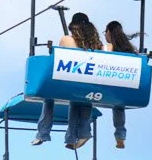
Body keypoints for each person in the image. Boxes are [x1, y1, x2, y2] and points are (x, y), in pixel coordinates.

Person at [33, 11, 105, 149]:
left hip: (69, 80)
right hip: (89, 83)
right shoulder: (98, 45)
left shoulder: (67, 39)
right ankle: (75, 136)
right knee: (80, 100)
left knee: (49, 98)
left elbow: (57, 58)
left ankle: (42, 134)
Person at [102, 20, 135, 149]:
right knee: (119, 106)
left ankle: (82, 132)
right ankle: (120, 136)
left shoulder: (108, 47)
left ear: (109, 32)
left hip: (107, 81)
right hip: (123, 84)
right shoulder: (128, 49)